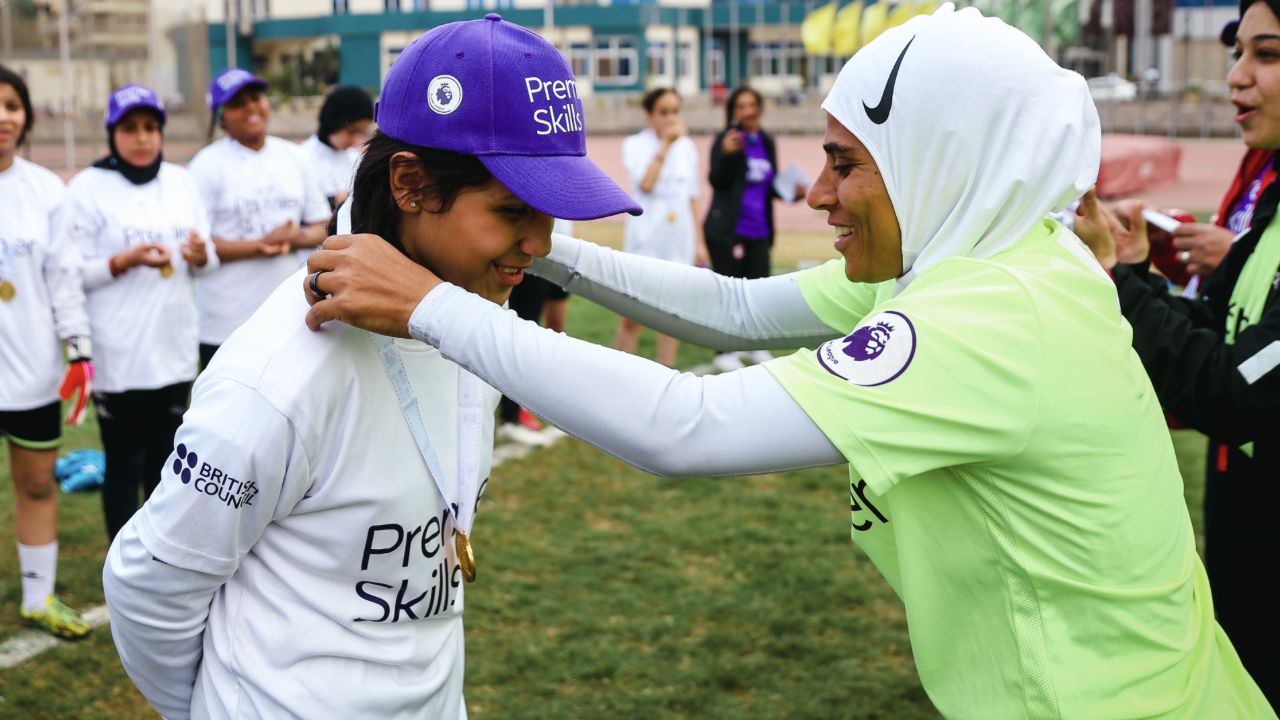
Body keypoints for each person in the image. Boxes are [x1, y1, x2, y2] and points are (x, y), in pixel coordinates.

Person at [305, 7, 1276, 716]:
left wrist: (429, 303)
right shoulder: (987, 252)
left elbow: (682, 430)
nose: (816, 191)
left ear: (939, 161)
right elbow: (732, 309)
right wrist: (526, 234)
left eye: (848, 163)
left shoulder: (995, 313)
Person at [102, 15, 638, 719]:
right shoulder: (284, 370)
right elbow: (150, 582)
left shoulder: (469, 311)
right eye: (513, 210)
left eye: (550, 212)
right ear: (411, 185)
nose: (538, 245)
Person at [1073, 0, 1280, 706]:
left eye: (1268, 55)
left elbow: (1234, 392)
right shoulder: (1274, 210)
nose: (1236, 78)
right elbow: (1222, 335)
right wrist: (1133, 271)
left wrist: (1124, 287)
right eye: (1237, 53)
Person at [66, 84, 217, 542]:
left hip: (172, 349)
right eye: (130, 128)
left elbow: (207, 257)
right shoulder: (87, 189)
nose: (142, 138)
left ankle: (155, 556)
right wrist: (121, 261)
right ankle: (120, 556)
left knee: (166, 461)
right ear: (113, 134)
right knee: (123, 461)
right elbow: (71, 272)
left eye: (150, 127)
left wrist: (198, 253)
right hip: (118, 354)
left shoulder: (181, 181)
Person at [0, 63, 93, 639]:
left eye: (11, 105)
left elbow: (64, 278)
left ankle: (39, 598)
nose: (2, 117)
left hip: (31, 371)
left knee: (36, 483)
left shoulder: (46, 191)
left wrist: (78, 351)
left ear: (26, 117)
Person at [189, 67, 330, 367]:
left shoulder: (293, 157)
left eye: (256, 98)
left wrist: (296, 238)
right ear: (221, 117)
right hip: (225, 320)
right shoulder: (206, 165)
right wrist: (260, 245)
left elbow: (323, 226)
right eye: (238, 103)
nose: (251, 107)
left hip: (288, 314)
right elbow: (199, 246)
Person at [704, 86, 806, 371]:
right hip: (728, 230)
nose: (748, 111)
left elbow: (767, 185)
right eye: (741, 106)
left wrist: (790, 193)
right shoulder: (727, 140)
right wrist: (726, 154)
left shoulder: (767, 142)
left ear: (760, 108)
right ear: (733, 112)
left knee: (759, 292)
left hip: (760, 229)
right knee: (729, 293)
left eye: (752, 105)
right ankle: (723, 350)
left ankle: (755, 344)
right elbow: (716, 181)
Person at [615, 87, 706, 368]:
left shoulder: (688, 148)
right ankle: (619, 372)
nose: (670, 118)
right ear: (649, 115)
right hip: (645, 242)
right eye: (663, 112)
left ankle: (666, 375)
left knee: (671, 318)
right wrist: (665, 145)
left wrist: (699, 243)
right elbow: (646, 184)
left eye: (675, 111)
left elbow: (691, 196)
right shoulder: (635, 145)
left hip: (677, 242)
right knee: (633, 316)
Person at [300, 85, 374, 211]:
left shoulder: (356, 159)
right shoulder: (301, 159)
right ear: (333, 122)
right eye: (352, 131)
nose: (357, 139)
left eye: (362, 132)